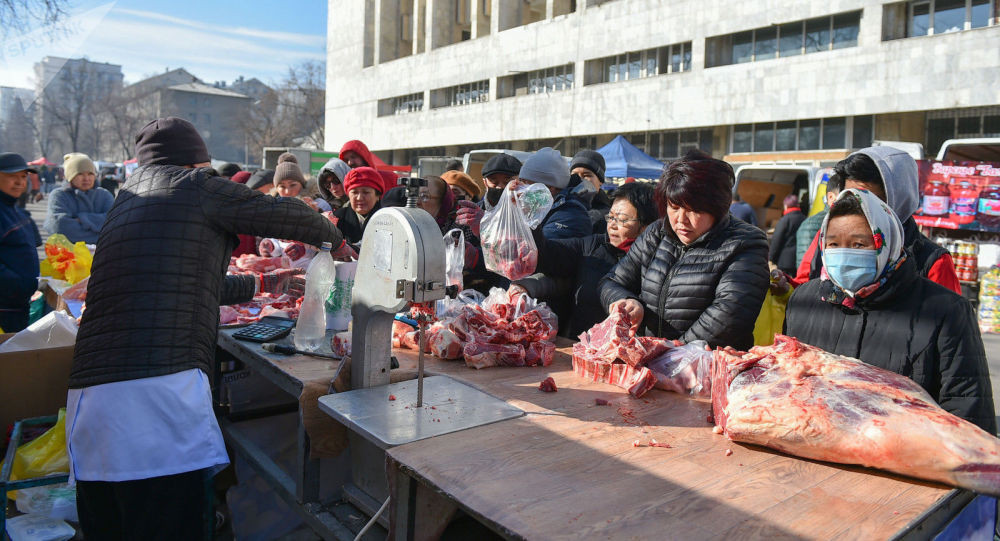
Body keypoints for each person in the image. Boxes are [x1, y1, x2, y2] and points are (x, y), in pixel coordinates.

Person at [66, 117, 354, 539]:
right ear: (196, 162)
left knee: (111, 525)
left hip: (91, 401)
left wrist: (262, 282)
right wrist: (342, 244)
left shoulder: (127, 199)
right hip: (154, 394)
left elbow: (182, 282)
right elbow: (288, 213)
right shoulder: (193, 185)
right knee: (172, 521)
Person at [784, 189, 995, 433]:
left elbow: (968, 414)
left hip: (908, 462)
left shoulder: (946, 312)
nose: (844, 253)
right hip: (815, 459)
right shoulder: (804, 300)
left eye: (858, 244)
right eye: (833, 243)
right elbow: (789, 388)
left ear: (886, 242)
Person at [600, 149, 769, 350]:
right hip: (653, 360)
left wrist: (674, 351)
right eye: (674, 207)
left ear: (717, 207)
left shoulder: (745, 243)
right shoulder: (657, 232)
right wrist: (626, 301)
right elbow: (612, 281)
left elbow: (729, 314)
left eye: (693, 210)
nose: (680, 219)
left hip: (706, 366)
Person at [794, 148, 960, 293]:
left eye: (868, 200)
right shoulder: (826, 240)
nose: (856, 206)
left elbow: (946, 319)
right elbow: (803, 285)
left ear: (899, 199)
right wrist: (783, 286)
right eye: (849, 196)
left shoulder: (932, 261)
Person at [512, 182, 658, 337]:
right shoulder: (592, 246)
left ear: (646, 226)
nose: (612, 225)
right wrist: (530, 218)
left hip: (629, 351)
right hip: (582, 348)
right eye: (611, 217)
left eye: (622, 220)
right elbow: (547, 255)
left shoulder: (657, 260)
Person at [0, 153, 40, 333]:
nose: (19, 182)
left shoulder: (17, 210)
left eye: (23, 177)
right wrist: (17, 284)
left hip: (19, 305)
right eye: (12, 177)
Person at [518, 147, 591, 240]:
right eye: (521, 181)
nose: (521, 188)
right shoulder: (540, 207)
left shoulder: (571, 215)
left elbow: (539, 249)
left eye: (526, 183)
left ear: (549, 188)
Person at [44, 153, 114, 245]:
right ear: (70, 176)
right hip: (68, 256)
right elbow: (59, 226)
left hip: (102, 255)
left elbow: (114, 224)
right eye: (80, 174)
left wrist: (81, 218)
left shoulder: (105, 195)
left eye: (90, 174)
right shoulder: (59, 195)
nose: (86, 178)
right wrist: (99, 233)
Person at [332, 166, 383, 245]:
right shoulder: (337, 218)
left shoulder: (388, 219)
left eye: (366, 192)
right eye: (354, 192)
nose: (359, 198)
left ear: (378, 196)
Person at [570, 149, 612, 232]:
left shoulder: (607, 216)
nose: (579, 179)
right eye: (574, 174)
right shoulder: (558, 205)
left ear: (600, 181)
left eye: (586, 175)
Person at [768, 194, 806, 274]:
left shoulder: (785, 220)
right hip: (800, 259)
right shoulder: (804, 218)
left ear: (786, 206)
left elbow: (776, 240)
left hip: (785, 261)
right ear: (797, 205)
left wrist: (771, 257)